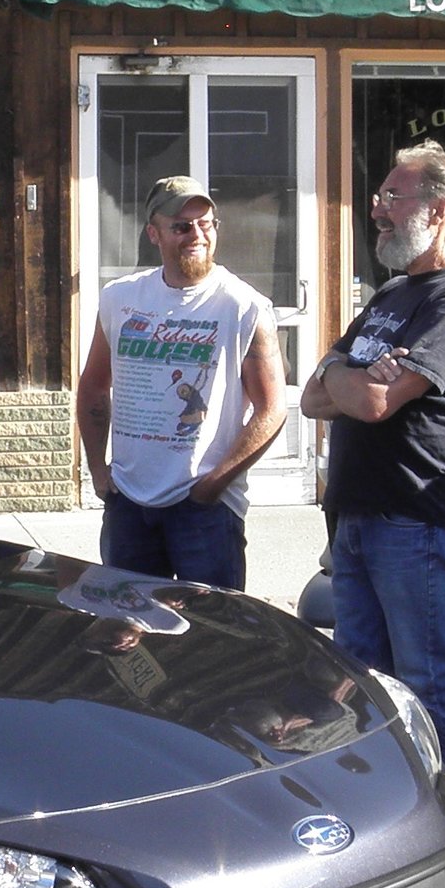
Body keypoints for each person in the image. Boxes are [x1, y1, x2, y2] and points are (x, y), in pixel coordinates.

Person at [301, 140, 445, 805]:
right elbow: (314, 397)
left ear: (439, 210)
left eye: (393, 197)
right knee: (364, 684)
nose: (378, 210)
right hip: (354, 519)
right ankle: (386, 821)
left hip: (410, 523)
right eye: (381, 197)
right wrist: (343, 374)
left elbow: (374, 402)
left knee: (427, 681)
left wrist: (346, 377)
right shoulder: (392, 294)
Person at [77, 176, 284, 591]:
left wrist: (213, 485)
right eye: (181, 226)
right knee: (129, 631)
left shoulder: (243, 306)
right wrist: (100, 473)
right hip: (130, 504)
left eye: (206, 224)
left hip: (203, 510)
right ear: (154, 233)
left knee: (211, 639)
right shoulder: (121, 298)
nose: (197, 235)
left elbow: (271, 409)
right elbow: (94, 386)